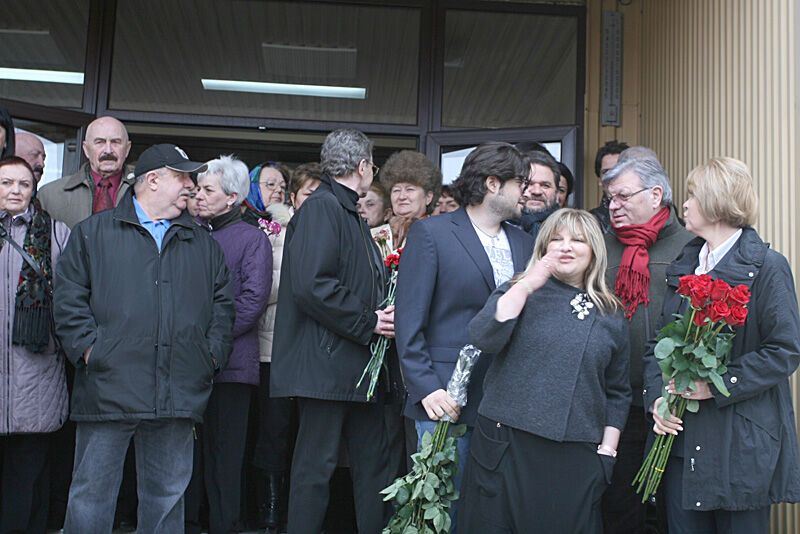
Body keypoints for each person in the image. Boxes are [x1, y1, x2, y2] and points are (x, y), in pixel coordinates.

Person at [53, 143, 234, 533]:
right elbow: (68, 301)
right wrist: (91, 352)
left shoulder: (203, 244)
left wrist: (210, 357)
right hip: (108, 384)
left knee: (167, 498)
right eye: (183, 177)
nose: (192, 185)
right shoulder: (93, 234)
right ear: (153, 180)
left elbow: (223, 308)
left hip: (178, 387)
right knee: (92, 495)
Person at [645, 157, 800, 534]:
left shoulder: (767, 267)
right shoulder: (684, 265)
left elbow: (784, 350)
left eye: (692, 195)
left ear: (716, 202)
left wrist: (714, 385)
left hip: (740, 446)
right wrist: (657, 400)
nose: (683, 204)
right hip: (682, 443)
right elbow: (658, 344)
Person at [461, 209, 631, 533]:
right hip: (506, 446)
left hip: (574, 456)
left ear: (594, 249)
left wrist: (607, 453)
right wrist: (527, 285)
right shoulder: (519, 291)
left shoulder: (611, 314)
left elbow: (618, 391)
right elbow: (484, 337)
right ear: (543, 247)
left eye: (577, 240)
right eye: (557, 239)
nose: (566, 247)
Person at [395, 141, 534, 532]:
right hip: (445, 398)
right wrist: (425, 388)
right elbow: (410, 320)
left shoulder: (525, 241)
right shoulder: (432, 233)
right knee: (441, 512)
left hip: (508, 399)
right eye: (519, 182)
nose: (526, 191)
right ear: (493, 183)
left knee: (492, 511)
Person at [271, 129, 394, 534]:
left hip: (354, 364)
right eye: (372, 168)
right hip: (327, 365)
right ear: (362, 167)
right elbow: (312, 285)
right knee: (315, 470)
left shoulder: (343, 210)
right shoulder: (324, 208)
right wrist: (370, 320)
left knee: (371, 468)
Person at [601, 152, 693, 534]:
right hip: (614, 401)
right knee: (620, 506)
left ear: (656, 195)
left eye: (623, 196)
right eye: (610, 199)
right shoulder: (600, 245)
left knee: (675, 509)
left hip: (674, 403)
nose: (613, 206)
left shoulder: (691, 247)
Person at [184, 155, 272, 534]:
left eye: (207, 190)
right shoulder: (190, 233)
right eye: (198, 189)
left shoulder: (252, 238)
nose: (198, 196)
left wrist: (208, 338)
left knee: (225, 456)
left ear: (233, 197)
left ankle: (224, 525)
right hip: (189, 364)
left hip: (231, 365)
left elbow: (253, 301)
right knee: (188, 454)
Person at [0, 157, 70, 533]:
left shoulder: (57, 234)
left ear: (33, 190)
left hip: (36, 375)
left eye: (23, 184)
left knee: (28, 481)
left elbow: (74, 300)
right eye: (6, 182)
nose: (15, 191)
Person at [251, 162, 320, 531]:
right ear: (293, 197)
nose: (314, 200)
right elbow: (265, 290)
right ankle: (271, 509)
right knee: (274, 432)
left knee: (307, 435)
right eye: (308, 193)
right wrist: (305, 286)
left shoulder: (332, 230)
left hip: (315, 352)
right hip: (273, 350)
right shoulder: (274, 231)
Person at [38, 117, 133, 228]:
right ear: (86, 149)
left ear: (127, 149)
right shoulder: (49, 195)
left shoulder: (146, 192)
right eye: (100, 142)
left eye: (116, 142)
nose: (108, 150)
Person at [380, 150, 441, 247]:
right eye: (396, 190)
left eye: (410, 189)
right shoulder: (375, 236)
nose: (402, 196)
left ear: (428, 197)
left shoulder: (441, 234)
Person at [518, 149, 561, 242]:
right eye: (529, 183)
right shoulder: (497, 227)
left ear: (557, 194)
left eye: (545, 185)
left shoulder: (570, 229)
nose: (537, 191)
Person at [590, 140, 630, 233]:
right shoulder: (591, 221)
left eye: (619, 170)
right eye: (606, 172)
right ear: (600, 180)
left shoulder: (647, 211)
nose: (612, 176)